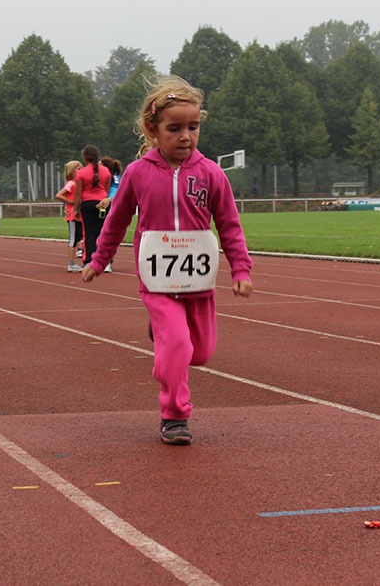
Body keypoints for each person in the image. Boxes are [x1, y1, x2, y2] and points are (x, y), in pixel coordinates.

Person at [82, 76, 254, 445]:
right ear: (153, 129)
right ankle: (175, 415)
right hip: (157, 279)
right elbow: (117, 219)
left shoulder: (211, 173)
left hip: (198, 279)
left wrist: (241, 269)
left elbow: (229, 224)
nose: (186, 137)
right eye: (174, 129)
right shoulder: (137, 173)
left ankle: (165, 341)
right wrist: (99, 259)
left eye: (193, 127)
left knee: (200, 352)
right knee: (177, 345)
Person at [72, 145, 112, 267]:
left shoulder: (81, 173)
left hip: (87, 204)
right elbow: (107, 190)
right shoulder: (106, 171)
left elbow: (78, 193)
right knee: (103, 232)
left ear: (85, 158)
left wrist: (75, 209)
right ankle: (106, 261)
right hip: (102, 203)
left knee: (88, 233)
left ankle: (89, 260)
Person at [55, 160, 84, 272]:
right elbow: (59, 195)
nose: (81, 171)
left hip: (79, 215)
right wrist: (71, 202)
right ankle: (71, 264)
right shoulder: (71, 183)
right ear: (71, 171)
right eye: (78, 169)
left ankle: (82, 258)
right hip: (72, 215)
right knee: (73, 239)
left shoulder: (79, 183)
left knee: (79, 237)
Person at [96, 156, 124, 272]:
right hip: (100, 205)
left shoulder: (115, 178)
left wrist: (108, 199)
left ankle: (107, 262)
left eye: (100, 165)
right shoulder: (98, 176)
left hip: (111, 207)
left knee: (107, 234)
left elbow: (115, 191)